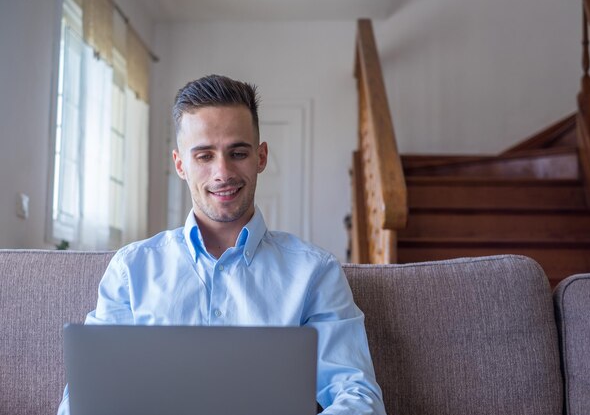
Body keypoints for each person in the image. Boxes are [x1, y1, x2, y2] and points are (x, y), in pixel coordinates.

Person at [57, 74, 386, 415]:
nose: (222, 172)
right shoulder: (130, 270)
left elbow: (358, 396)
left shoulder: (315, 272)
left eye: (237, 152)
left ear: (261, 157)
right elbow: (85, 398)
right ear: (180, 164)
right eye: (204, 156)